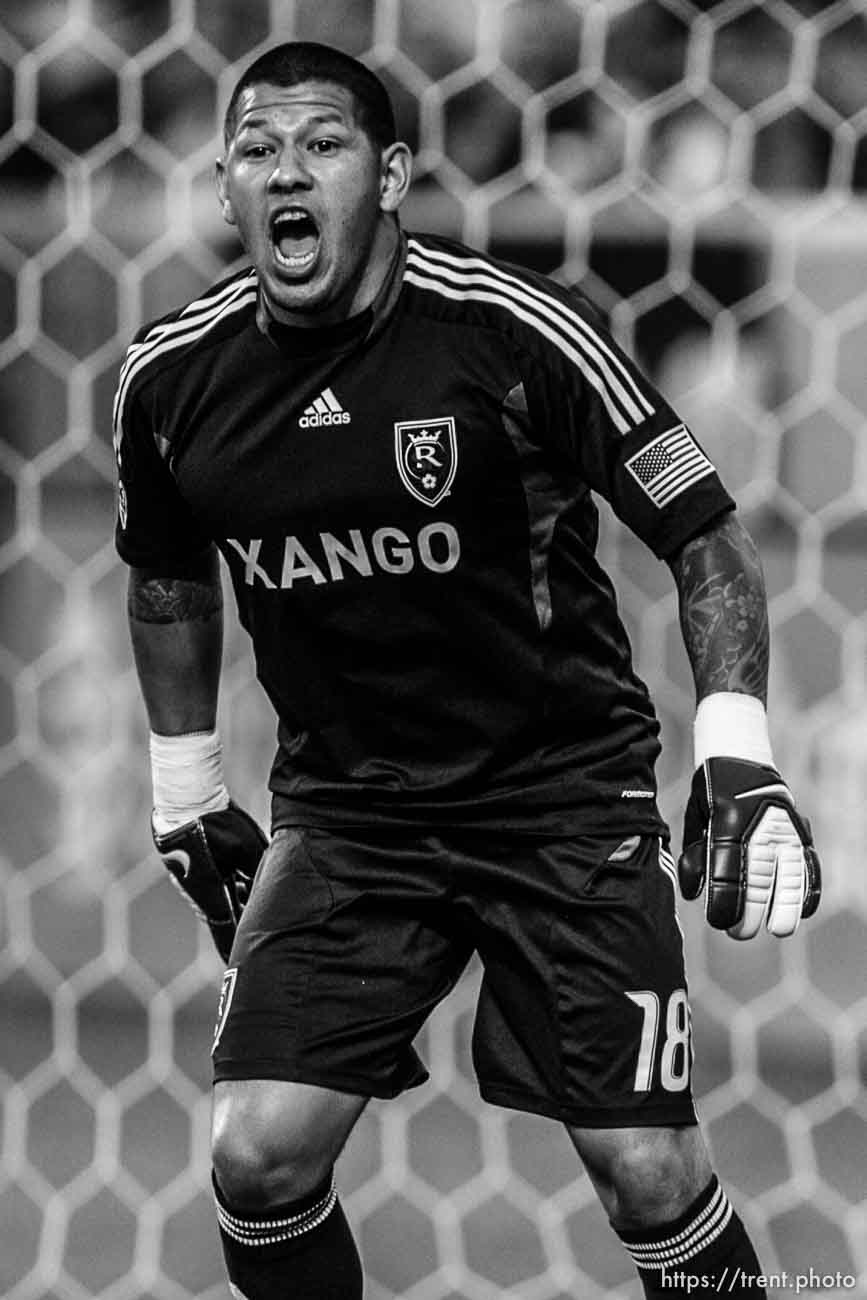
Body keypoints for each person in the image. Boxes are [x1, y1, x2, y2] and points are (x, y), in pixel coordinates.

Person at [112, 41, 821, 1300]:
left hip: (559, 798)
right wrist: (183, 785)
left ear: (388, 176)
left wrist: (737, 748)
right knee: (256, 1158)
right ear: (226, 191)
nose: (289, 172)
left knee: (646, 1168)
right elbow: (168, 577)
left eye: (323, 145)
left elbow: (701, 529)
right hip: (350, 814)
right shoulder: (171, 380)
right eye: (257, 150)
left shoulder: (512, 330)